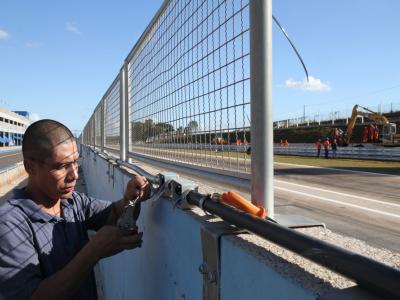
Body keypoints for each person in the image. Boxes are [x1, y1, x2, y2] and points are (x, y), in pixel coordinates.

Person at [0, 119, 150, 300]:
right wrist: (93, 251)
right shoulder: (9, 224)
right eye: (62, 166)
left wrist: (131, 198)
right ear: (30, 167)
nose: (74, 175)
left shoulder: (72, 201)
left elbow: (116, 214)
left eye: (75, 162)